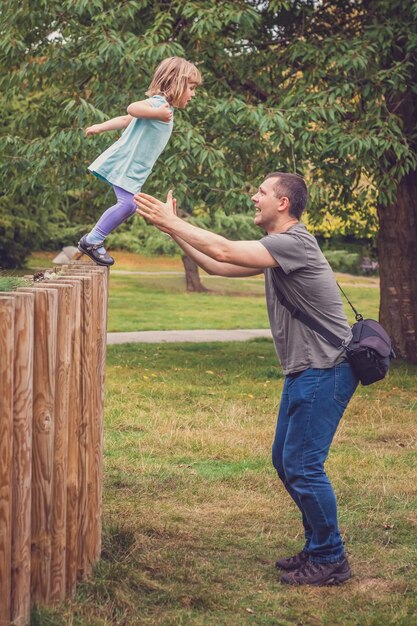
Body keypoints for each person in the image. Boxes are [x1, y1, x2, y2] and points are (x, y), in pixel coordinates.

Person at [134, 173, 359, 586]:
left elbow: (222, 246)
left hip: (326, 367)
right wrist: (173, 230)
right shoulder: (278, 250)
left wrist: (170, 221)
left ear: (283, 204)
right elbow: (217, 264)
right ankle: (317, 547)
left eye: (262, 192)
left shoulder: (294, 243)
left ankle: (331, 558)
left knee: (304, 466)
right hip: (305, 369)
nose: (254, 197)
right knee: (286, 462)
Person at [78, 57, 202, 266]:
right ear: (176, 83)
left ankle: (93, 239)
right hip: (128, 165)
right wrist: (156, 113)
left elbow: (127, 120)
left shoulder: (163, 109)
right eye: (191, 88)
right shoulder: (158, 104)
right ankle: (92, 240)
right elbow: (131, 109)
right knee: (127, 205)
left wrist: (101, 126)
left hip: (133, 168)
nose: (193, 94)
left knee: (130, 206)